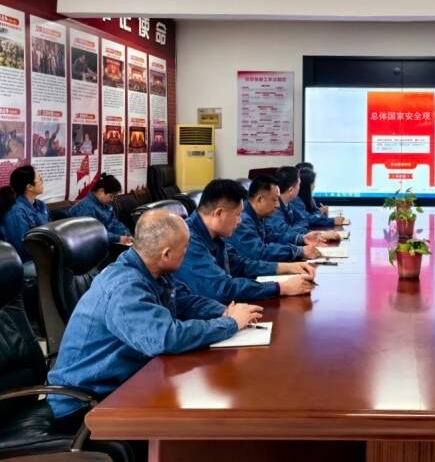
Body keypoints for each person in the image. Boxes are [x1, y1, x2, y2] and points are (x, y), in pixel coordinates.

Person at [46, 209, 265, 421]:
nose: (187, 252)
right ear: (166, 254)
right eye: (185, 247)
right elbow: (165, 338)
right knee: (203, 410)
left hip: (124, 381)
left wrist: (224, 311)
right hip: (85, 402)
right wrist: (229, 323)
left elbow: (185, 301)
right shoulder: (125, 287)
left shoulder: (152, 270)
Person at [175, 179, 316, 303]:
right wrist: (281, 288)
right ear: (218, 213)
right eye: (237, 215)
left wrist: (289, 267)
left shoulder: (215, 234)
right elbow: (222, 289)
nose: (239, 221)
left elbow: (240, 265)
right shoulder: (189, 241)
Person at [228, 175, 322, 262]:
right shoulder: (242, 219)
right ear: (260, 199)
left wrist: (302, 238)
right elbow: (259, 253)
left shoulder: (259, 215)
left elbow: (274, 237)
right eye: (274, 199)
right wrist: (298, 251)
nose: (278, 205)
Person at [1, 165, 48, 277]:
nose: (42, 181)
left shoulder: (41, 205)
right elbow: (22, 247)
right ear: (29, 187)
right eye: (40, 179)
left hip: (43, 254)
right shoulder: (16, 212)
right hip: (24, 261)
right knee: (58, 269)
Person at [67, 173, 133, 245]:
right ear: (101, 191)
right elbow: (94, 233)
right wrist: (118, 238)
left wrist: (127, 235)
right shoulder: (85, 207)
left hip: (106, 241)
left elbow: (114, 223)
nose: (112, 200)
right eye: (111, 196)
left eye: (114, 197)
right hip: (89, 245)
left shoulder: (104, 204)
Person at [265, 166, 312, 239]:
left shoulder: (288, 203)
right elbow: (283, 231)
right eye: (299, 184)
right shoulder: (273, 207)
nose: (300, 187)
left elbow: (303, 219)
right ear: (291, 190)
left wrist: (293, 228)